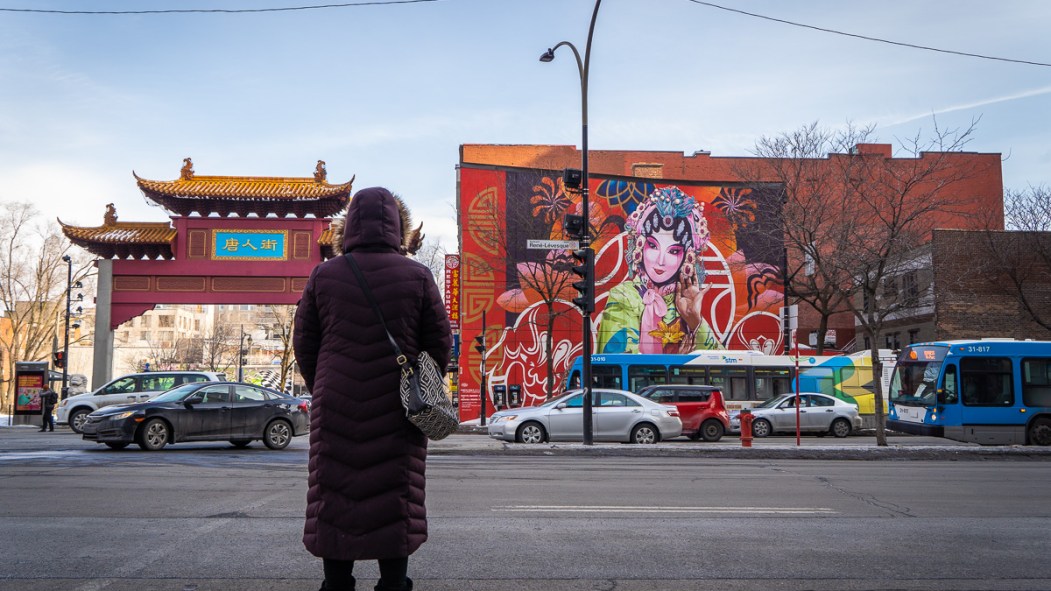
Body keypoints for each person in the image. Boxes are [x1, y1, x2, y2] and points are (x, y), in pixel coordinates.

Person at [294, 187, 452, 591]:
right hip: (399, 405)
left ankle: (337, 582)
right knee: (393, 491)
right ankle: (394, 583)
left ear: (348, 228)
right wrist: (422, 379)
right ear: (397, 228)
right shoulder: (417, 274)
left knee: (335, 491)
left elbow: (305, 341)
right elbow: (439, 341)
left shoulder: (324, 275)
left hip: (335, 405)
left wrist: (324, 384)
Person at [598, 186, 723, 354]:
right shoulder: (624, 296)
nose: (661, 260)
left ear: (687, 257)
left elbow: (723, 366)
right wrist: (675, 362)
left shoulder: (684, 302)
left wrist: (695, 321)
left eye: (673, 251)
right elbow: (618, 364)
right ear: (640, 245)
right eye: (653, 245)